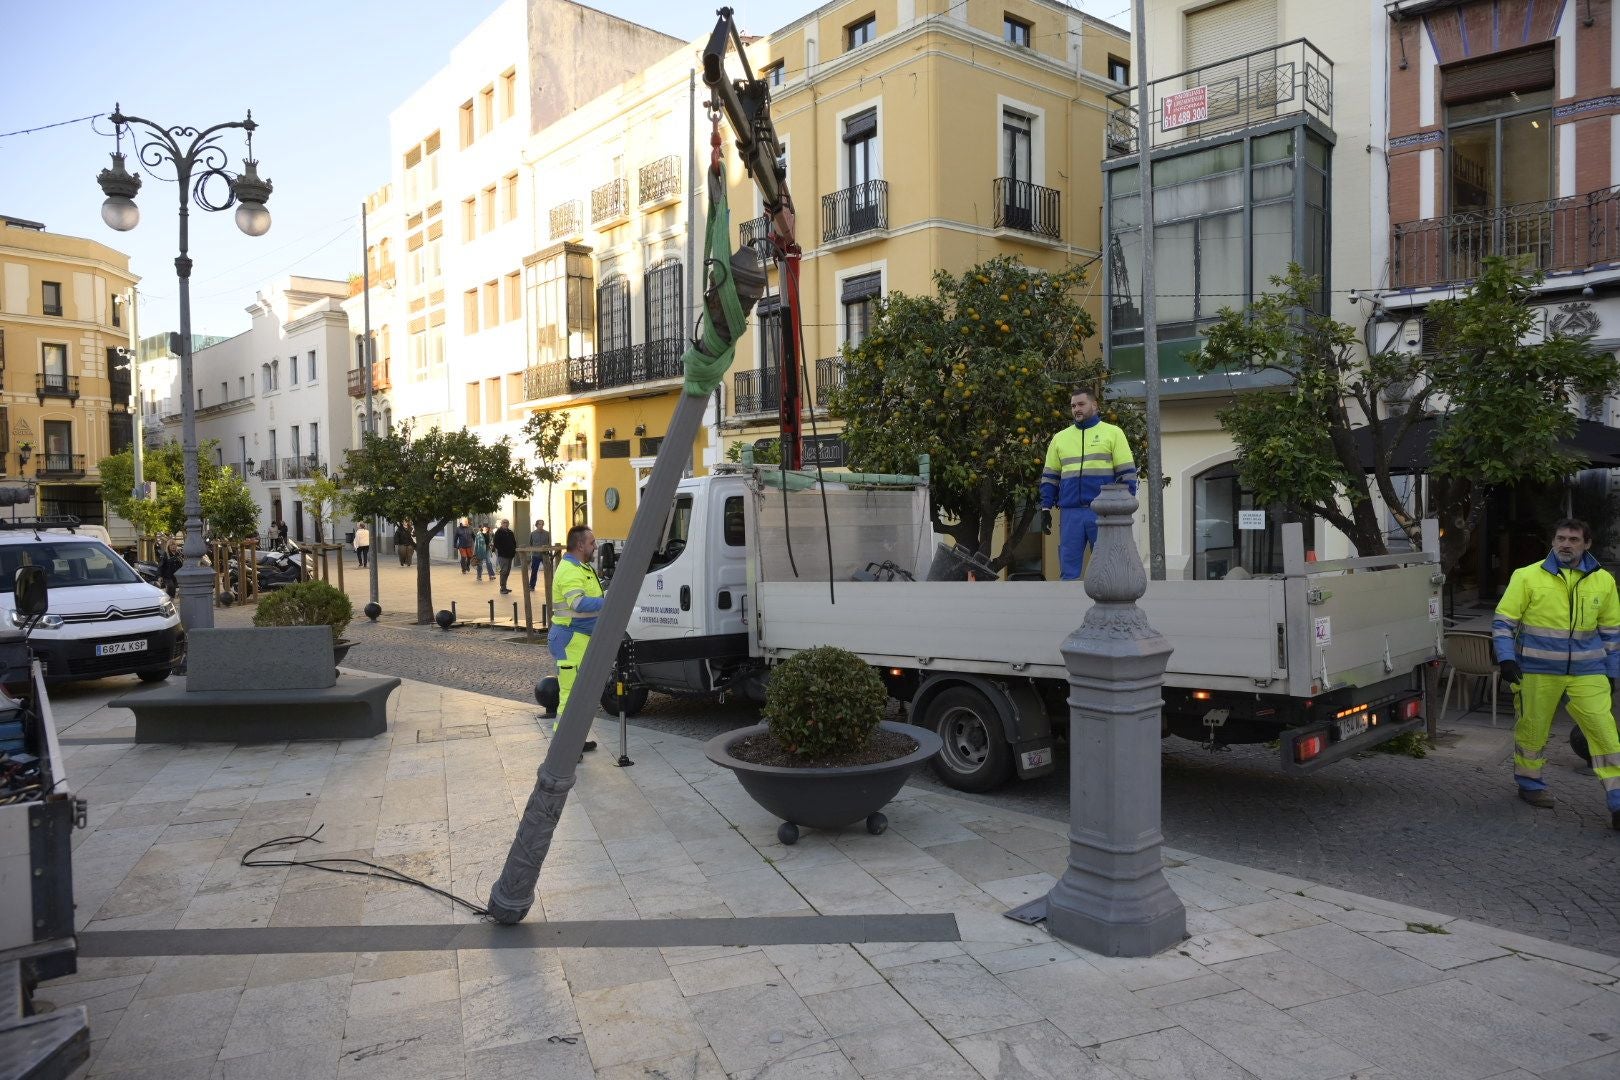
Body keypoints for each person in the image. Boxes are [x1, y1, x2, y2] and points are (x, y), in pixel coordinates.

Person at [1493, 518, 1620, 829]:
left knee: (1604, 732)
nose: (1566, 544)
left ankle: (1618, 803)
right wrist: (1506, 659)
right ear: (1552, 541)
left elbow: (1611, 632)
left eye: (1574, 539)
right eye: (1561, 538)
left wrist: (1612, 672)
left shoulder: (1604, 581)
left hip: (1588, 670)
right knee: (1532, 730)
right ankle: (1530, 784)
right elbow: (1504, 622)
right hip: (1536, 670)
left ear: (1587, 544)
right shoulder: (1527, 576)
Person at [1038, 387, 1137, 580]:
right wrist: (1045, 508)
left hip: (1103, 512)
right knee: (1068, 572)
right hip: (1070, 513)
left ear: (1095, 405)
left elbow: (1127, 475)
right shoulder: (1059, 438)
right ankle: (1070, 600)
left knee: (1106, 571)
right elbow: (1050, 477)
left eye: (1081, 404)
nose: (1076, 409)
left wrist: (1125, 508)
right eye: (1073, 406)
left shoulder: (1113, 433)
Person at [550, 524, 605, 730]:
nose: (595, 546)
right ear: (580, 545)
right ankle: (562, 744)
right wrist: (609, 601)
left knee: (580, 695)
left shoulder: (583, 568)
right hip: (570, 639)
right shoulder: (569, 570)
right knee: (570, 696)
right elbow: (578, 603)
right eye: (592, 542)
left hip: (578, 639)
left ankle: (576, 740)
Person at [493, 518, 518, 594]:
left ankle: (504, 587)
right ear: (501, 524)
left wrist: (513, 551)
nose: (506, 524)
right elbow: (496, 543)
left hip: (510, 555)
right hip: (503, 555)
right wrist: (502, 550)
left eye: (507, 522)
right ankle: (502, 588)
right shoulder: (498, 532)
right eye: (504, 522)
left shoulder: (510, 532)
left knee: (507, 571)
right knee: (504, 571)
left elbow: (514, 542)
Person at [527, 519, 552, 592]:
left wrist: (550, 553)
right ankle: (532, 586)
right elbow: (530, 544)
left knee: (548, 571)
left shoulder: (547, 533)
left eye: (542, 524)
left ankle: (550, 585)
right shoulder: (532, 534)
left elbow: (549, 544)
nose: (541, 525)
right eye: (539, 524)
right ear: (536, 525)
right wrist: (530, 555)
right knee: (534, 571)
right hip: (536, 555)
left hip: (545, 555)